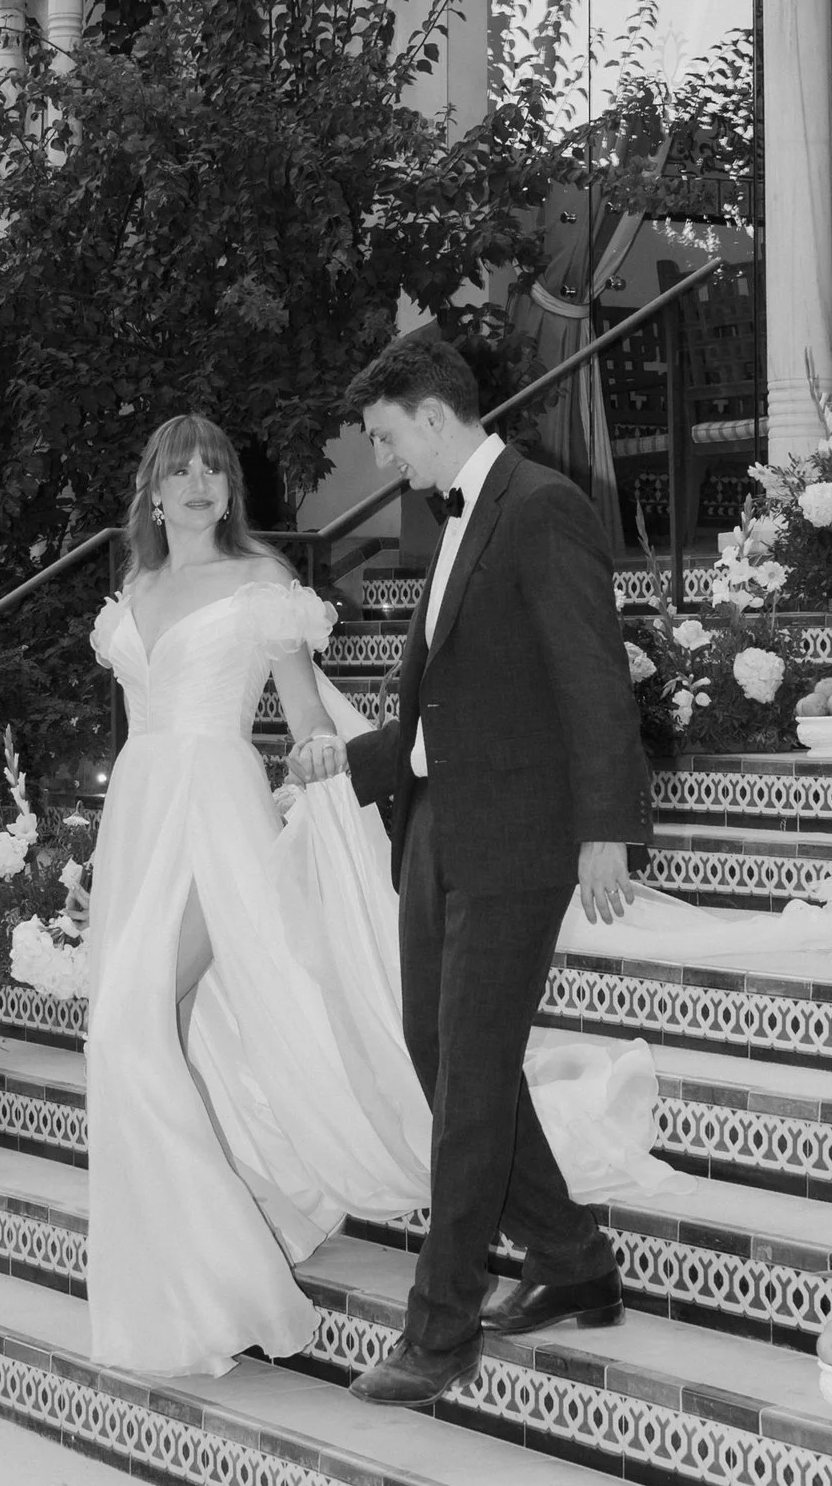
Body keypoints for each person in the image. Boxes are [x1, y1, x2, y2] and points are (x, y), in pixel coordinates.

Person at [81, 405, 665, 1386]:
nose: (198, 486)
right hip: (141, 821)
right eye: (180, 470)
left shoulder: (263, 585)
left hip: (219, 827)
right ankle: (172, 1267)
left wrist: (321, 789)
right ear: (152, 486)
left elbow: (306, 717)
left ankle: (220, 1280)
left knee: (130, 1028)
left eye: (215, 472)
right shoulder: (133, 589)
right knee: (142, 1029)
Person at [287, 326, 652, 1406]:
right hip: (442, 825)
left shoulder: (540, 508)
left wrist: (606, 829)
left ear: (435, 417)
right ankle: (572, 1256)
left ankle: (438, 1331)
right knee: (438, 1048)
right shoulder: (453, 521)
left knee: (471, 1078)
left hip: (523, 838)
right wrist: (335, 771)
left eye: (391, 436)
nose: (388, 458)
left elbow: (592, 680)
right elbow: (437, 708)